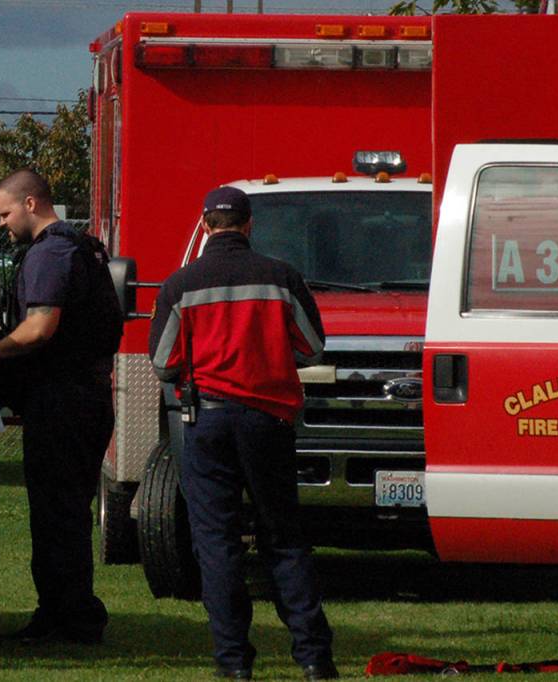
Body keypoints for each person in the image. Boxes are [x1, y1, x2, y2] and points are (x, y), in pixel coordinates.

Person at [149, 186, 338, 681]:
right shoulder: (281, 277)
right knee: (284, 538)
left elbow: (163, 364)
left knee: (217, 541)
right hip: (269, 419)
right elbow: (314, 347)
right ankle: (314, 657)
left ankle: (233, 663)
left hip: (208, 420)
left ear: (206, 224)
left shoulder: (180, 285)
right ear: (250, 225)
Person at [0, 169, 121, 644]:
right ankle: (64, 612)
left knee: (57, 515)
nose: (3, 224)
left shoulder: (50, 253)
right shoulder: (82, 247)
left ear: (31, 203)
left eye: (5, 213)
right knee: (66, 513)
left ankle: (67, 619)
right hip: (85, 397)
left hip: (63, 401)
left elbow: (39, 328)